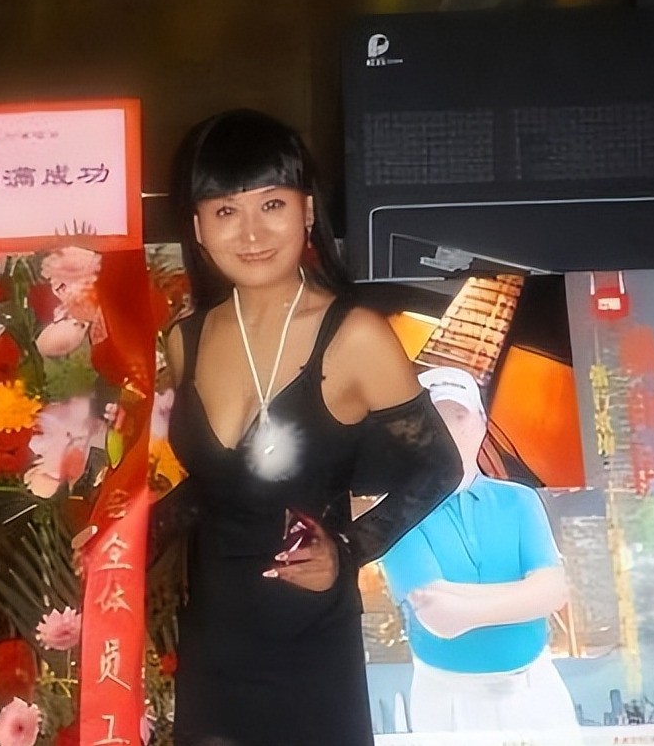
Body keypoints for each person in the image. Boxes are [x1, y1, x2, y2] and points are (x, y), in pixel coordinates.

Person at [160, 108, 462, 745]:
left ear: (306, 210)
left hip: (309, 644)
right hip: (213, 640)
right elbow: (220, 488)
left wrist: (347, 549)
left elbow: (439, 466)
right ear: (198, 226)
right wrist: (131, 533)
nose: (251, 232)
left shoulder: (354, 337)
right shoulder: (184, 341)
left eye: (271, 204)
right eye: (226, 210)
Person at [379, 366, 577, 733]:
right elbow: (441, 618)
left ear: (482, 423)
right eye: (434, 418)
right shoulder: (393, 513)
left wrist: (462, 598)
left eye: (459, 416)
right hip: (447, 701)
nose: (448, 430)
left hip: (537, 691)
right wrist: (524, 595)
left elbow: (553, 592)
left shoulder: (520, 500)